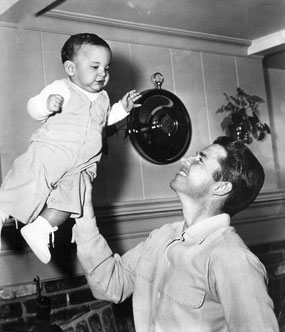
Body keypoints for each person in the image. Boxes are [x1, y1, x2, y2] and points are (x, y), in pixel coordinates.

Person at [73, 136, 279, 332]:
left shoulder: (233, 259)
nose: (186, 159)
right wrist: (83, 213)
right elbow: (110, 286)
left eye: (200, 159)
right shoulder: (162, 237)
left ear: (221, 187)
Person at [0, 33, 141, 264]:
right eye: (95, 66)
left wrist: (122, 109)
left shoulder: (103, 99)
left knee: (71, 200)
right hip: (52, 150)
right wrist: (46, 105)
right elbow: (33, 106)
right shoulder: (62, 88)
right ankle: (2, 210)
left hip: (82, 166)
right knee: (29, 179)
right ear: (71, 68)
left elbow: (104, 121)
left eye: (107, 67)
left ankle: (41, 228)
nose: (102, 73)